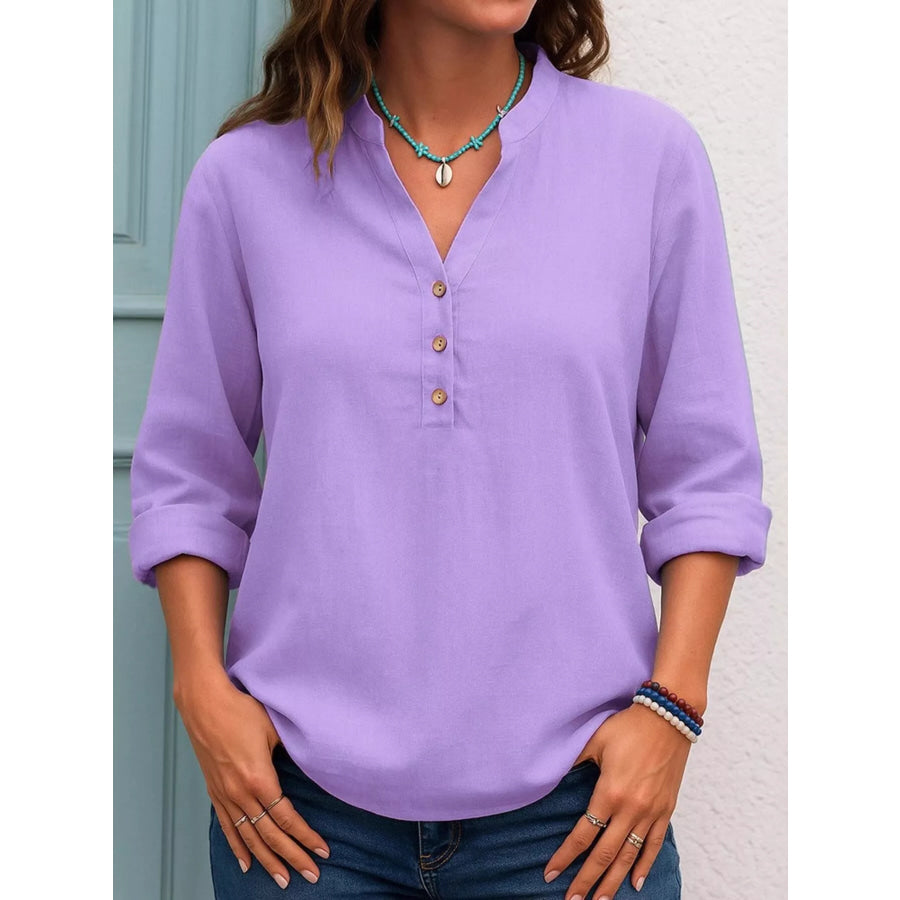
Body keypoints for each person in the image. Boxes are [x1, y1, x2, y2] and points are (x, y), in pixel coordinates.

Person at [128, 1, 772, 897]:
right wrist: (200, 689)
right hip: (301, 825)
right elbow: (190, 477)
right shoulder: (246, 180)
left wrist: (672, 711)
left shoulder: (650, 161)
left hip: (576, 825)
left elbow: (707, 475)